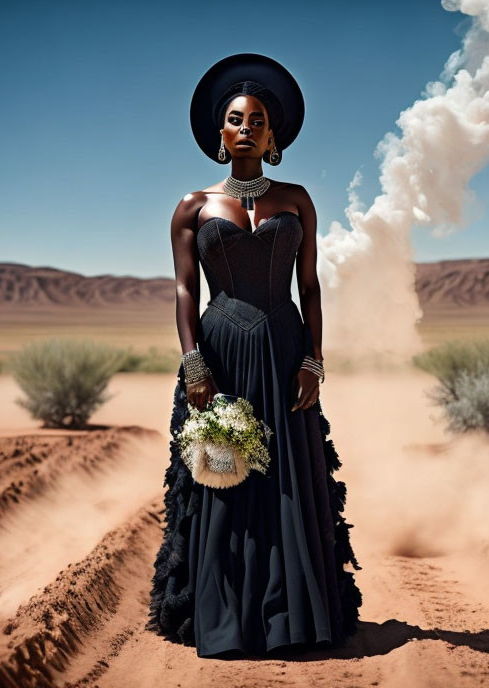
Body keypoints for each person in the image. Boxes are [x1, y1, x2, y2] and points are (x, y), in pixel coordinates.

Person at [146, 52, 362, 658]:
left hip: (284, 347)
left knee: (292, 479)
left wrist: (313, 360)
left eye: (258, 119)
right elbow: (186, 291)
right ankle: (226, 622)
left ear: (274, 135)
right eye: (236, 118)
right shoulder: (192, 206)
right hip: (220, 353)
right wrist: (194, 363)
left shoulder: (297, 199)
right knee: (223, 478)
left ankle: (295, 618)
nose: (247, 126)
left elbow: (310, 286)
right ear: (220, 134)